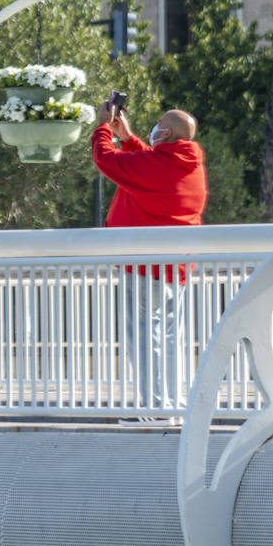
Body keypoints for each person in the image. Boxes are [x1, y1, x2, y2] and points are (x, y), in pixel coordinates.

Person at [91, 100, 208, 418]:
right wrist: (128, 138)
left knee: (143, 339)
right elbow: (148, 165)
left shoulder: (159, 165)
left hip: (144, 267)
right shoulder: (190, 164)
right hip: (176, 268)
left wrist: (103, 127)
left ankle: (152, 408)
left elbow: (106, 160)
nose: (154, 127)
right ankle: (169, 405)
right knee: (170, 340)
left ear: (166, 132)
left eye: (159, 124)